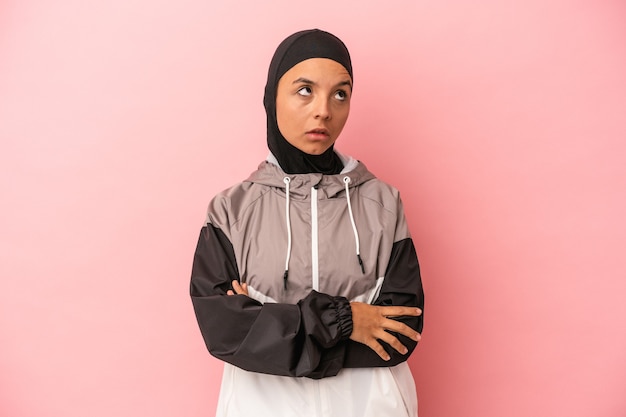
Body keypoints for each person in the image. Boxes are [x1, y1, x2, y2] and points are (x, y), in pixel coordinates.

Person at [190, 29, 425, 417]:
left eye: (340, 93)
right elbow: (225, 332)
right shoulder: (230, 210)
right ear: (272, 98)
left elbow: (401, 332)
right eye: (304, 90)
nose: (324, 111)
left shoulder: (384, 202)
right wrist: (349, 320)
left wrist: (268, 321)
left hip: (369, 407)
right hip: (261, 406)